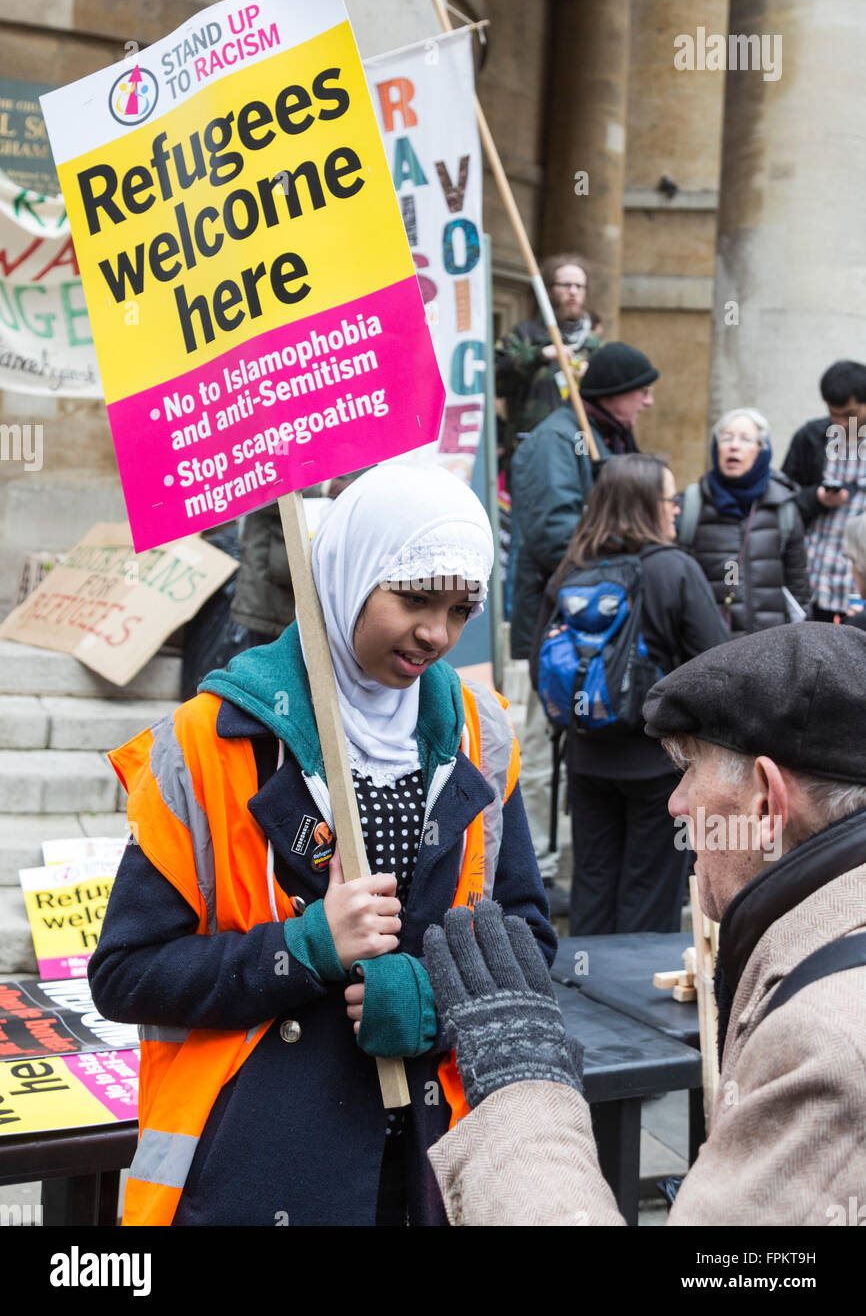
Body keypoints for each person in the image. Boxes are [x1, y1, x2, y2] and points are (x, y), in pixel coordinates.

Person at [88, 464, 555, 1228]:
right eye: (412, 599)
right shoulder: (208, 742)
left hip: (437, 1167)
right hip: (262, 1170)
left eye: (460, 609)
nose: (436, 634)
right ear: (345, 575)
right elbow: (127, 975)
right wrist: (303, 949)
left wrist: (430, 997)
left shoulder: (481, 733)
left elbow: (529, 944)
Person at [423, 623, 866, 1226]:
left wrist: (522, 1092)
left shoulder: (825, 1046)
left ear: (765, 802)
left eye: (691, 768)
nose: (675, 802)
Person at [531, 454, 729, 934]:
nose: (677, 509)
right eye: (670, 498)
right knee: (649, 890)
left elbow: (542, 660)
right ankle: (634, 999)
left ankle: (588, 990)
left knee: (593, 884)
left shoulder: (570, 571)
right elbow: (719, 664)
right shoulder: (674, 570)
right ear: (646, 504)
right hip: (657, 765)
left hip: (586, 758)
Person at [508, 342, 659, 894]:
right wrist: (632, 545)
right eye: (640, 390)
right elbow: (556, 537)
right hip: (554, 631)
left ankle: (558, 864)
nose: (647, 401)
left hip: (598, 629)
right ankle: (537, 871)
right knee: (542, 749)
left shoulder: (608, 435)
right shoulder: (555, 438)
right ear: (614, 393)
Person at [677, 408, 811, 632]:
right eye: (726, 438)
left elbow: (798, 586)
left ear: (761, 450)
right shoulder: (691, 504)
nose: (733, 446)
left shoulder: (783, 506)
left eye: (745, 439)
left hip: (770, 647)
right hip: (707, 649)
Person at [495, 253, 601, 490]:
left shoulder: (593, 344)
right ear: (550, 291)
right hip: (531, 446)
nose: (573, 291)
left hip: (578, 448)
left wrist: (592, 377)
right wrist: (539, 355)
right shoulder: (525, 335)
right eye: (566, 285)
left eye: (579, 286)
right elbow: (498, 378)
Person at [782, 360, 866, 621]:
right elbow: (782, 502)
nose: (840, 422)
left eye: (849, 414)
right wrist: (816, 498)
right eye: (833, 413)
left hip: (859, 586)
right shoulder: (810, 437)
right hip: (813, 581)